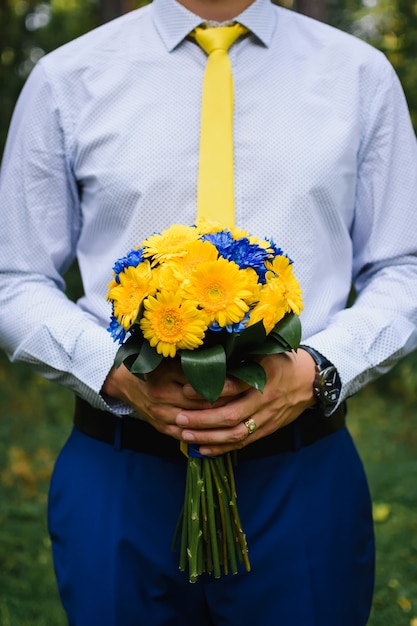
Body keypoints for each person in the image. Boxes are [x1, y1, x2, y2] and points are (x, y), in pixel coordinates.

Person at [1, 0, 416, 624]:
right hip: (119, 467)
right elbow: (14, 274)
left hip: (300, 470)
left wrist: (319, 370)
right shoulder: (67, 77)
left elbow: (405, 266)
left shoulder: (360, 74)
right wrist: (114, 372)